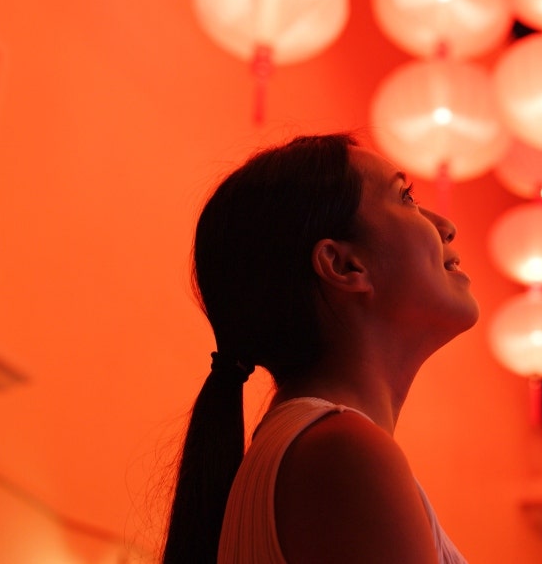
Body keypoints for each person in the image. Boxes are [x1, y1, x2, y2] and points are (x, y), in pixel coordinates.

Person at [162, 134, 479, 563]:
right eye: (405, 197)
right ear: (344, 265)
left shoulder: (315, 447)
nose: (446, 225)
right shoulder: (344, 452)